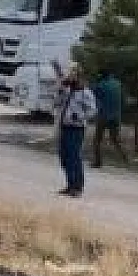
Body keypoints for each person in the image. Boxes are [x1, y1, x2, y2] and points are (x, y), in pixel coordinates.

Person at [53, 68, 97, 197]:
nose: (69, 78)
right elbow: (56, 103)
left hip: (76, 128)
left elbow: (92, 110)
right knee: (64, 156)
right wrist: (60, 91)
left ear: (78, 77)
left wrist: (80, 116)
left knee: (74, 156)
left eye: (72, 76)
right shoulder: (67, 91)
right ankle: (70, 184)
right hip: (64, 126)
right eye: (69, 76)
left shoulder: (85, 93)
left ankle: (77, 187)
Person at [91, 68, 127, 167]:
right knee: (115, 139)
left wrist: (96, 82)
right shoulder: (117, 83)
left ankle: (98, 162)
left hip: (104, 115)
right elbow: (123, 98)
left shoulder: (101, 85)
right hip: (116, 116)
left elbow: (93, 94)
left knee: (97, 140)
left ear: (101, 75)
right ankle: (125, 158)